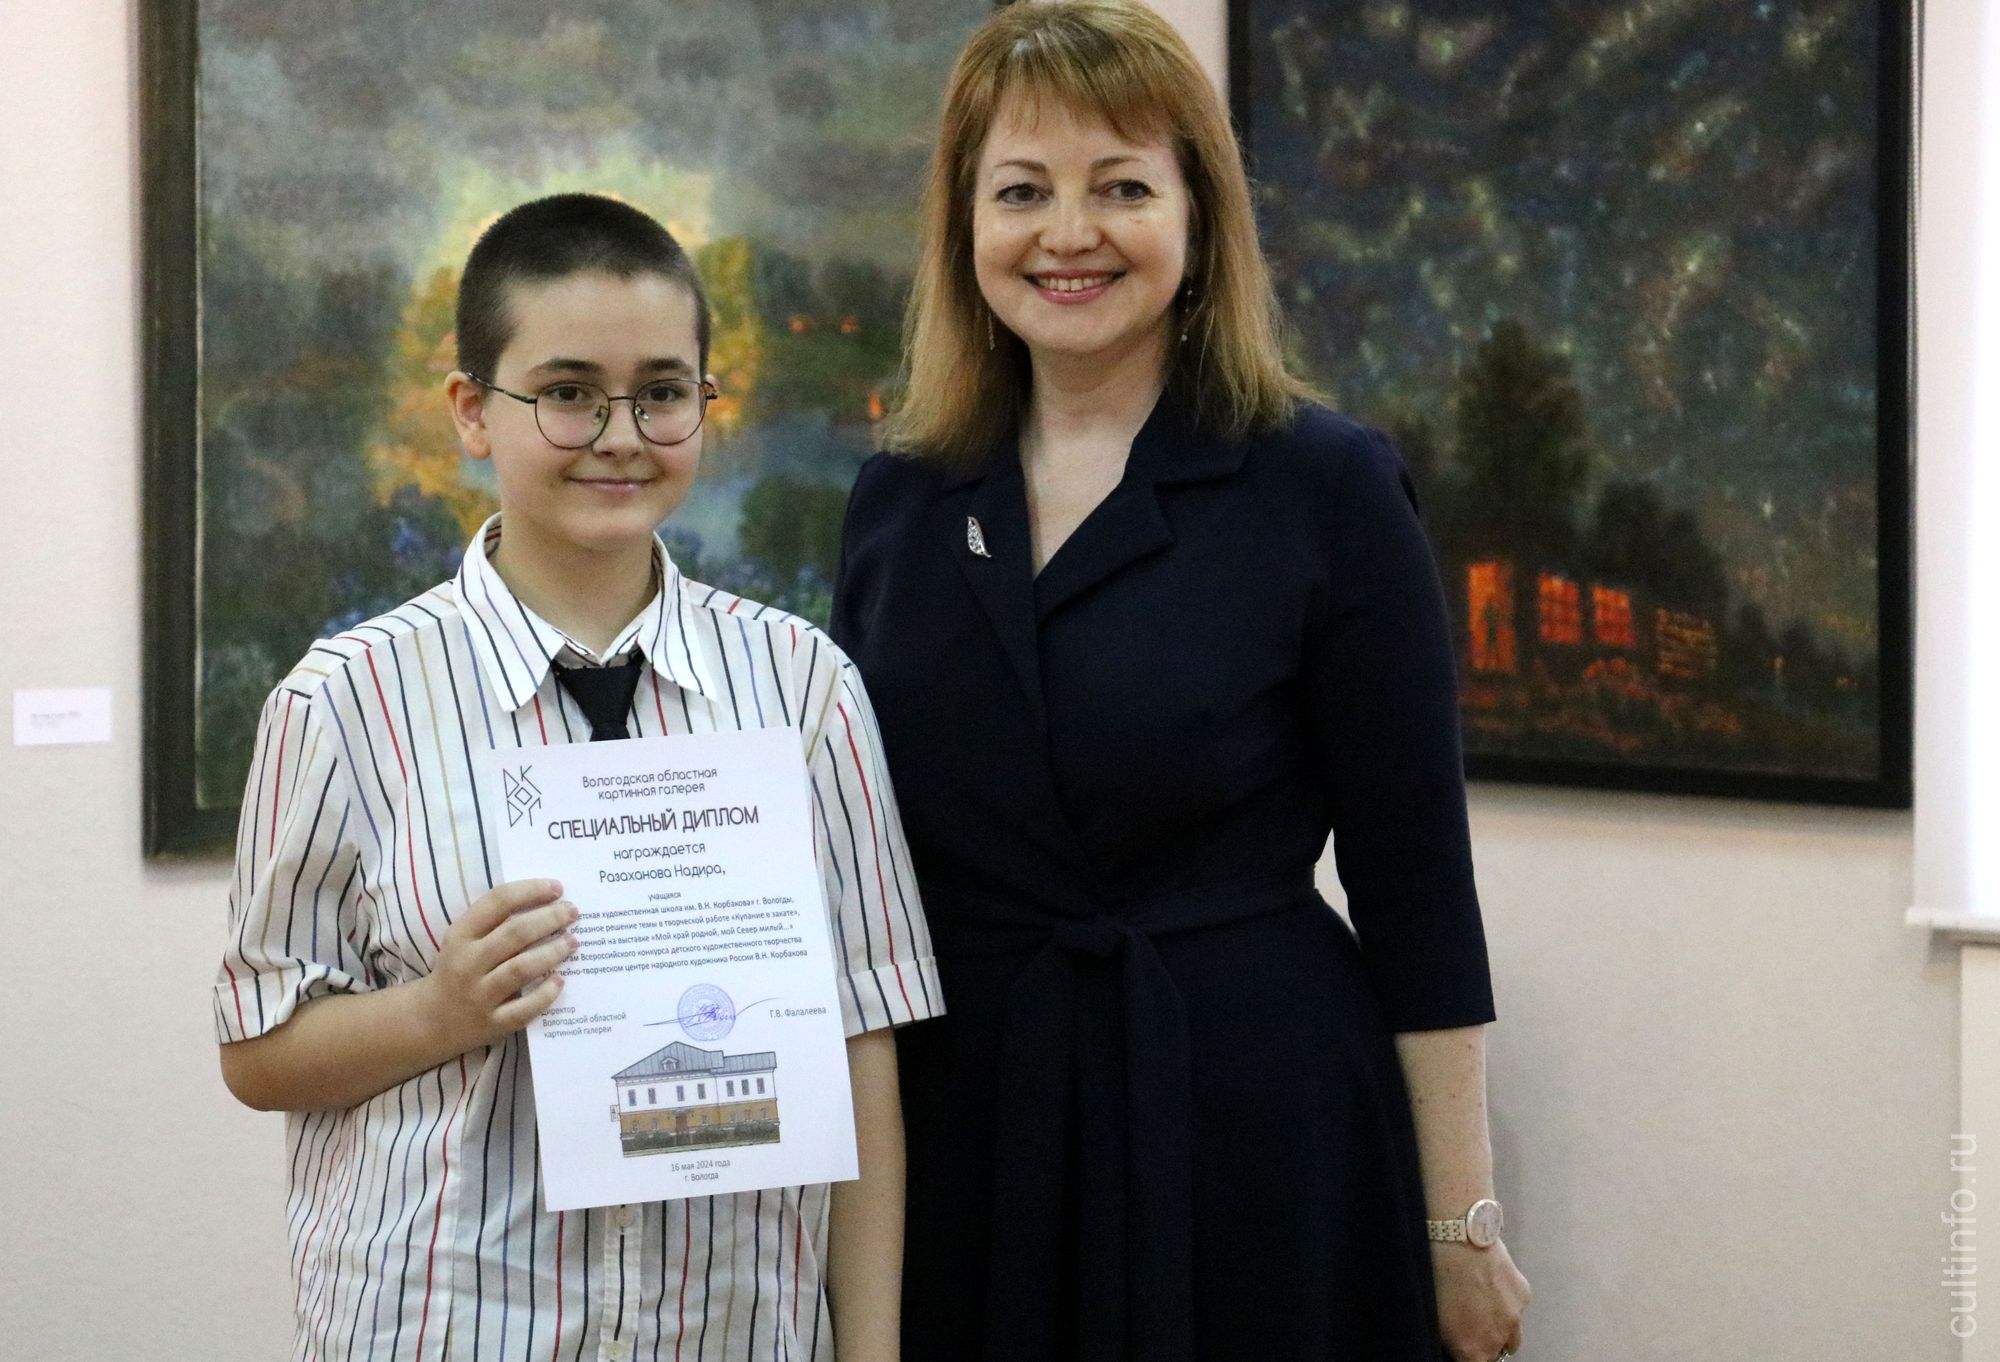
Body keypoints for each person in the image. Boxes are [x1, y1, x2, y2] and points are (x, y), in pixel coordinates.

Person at [831, 4, 1530, 1360]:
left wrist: (1460, 1222)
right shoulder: (898, 500)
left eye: (1122, 187)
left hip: (1250, 1125)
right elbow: (853, 859)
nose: (1068, 233)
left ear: (1199, 217)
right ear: (963, 224)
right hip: (971, 1127)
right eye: (1020, 191)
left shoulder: (1324, 485)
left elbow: (1417, 888)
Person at [215, 193, 940, 1362]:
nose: (619, 435)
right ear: (472, 412)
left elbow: (863, 1043)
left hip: (731, 1328)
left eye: (661, 392)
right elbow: (258, 1051)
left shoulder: (804, 685)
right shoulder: (342, 701)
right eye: (567, 393)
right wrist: (439, 1012)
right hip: (448, 1323)